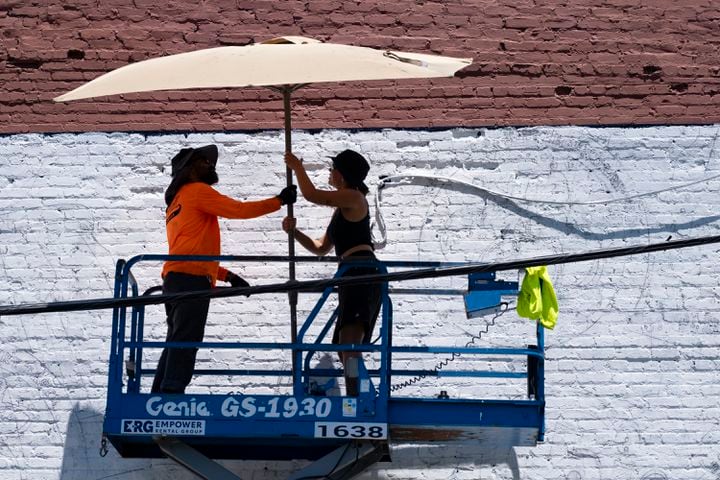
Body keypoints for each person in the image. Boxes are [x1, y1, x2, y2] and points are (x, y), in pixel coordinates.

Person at [152, 144, 297, 394]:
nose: (210, 164)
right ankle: (170, 397)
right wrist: (279, 201)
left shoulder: (176, 203)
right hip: (191, 280)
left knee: (177, 339)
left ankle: (159, 395)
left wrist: (228, 276)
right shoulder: (197, 190)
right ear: (189, 170)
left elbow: (191, 252)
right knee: (186, 339)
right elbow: (237, 210)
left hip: (176, 278)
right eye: (203, 161)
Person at [283, 149, 382, 396]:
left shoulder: (354, 198)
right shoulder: (342, 209)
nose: (329, 173)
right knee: (343, 346)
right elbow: (320, 248)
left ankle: (354, 399)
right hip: (350, 273)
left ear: (341, 174)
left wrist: (297, 168)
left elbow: (311, 195)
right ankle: (361, 394)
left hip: (362, 271)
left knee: (349, 342)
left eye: (331, 169)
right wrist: (294, 233)